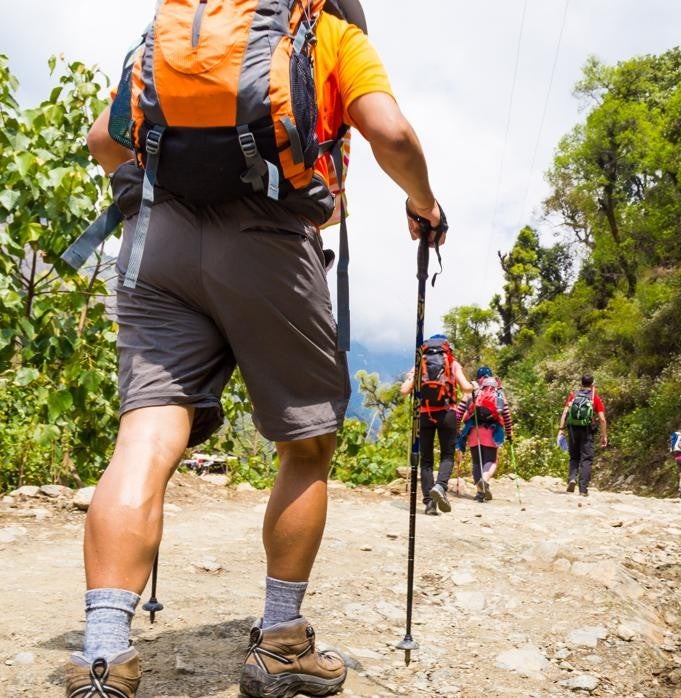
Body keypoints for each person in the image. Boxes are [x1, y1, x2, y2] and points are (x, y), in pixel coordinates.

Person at [69, 3, 446, 696]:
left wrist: (149, 197)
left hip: (159, 246)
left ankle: (103, 655)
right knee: (306, 444)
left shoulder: (176, 34)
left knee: (145, 438)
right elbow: (390, 132)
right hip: (270, 243)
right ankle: (279, 643)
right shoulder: (329, 35)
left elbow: (103, 139)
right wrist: (423, 201)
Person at [400, 334, 476, 516]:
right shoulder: (451, 362)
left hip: (424, 415)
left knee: (426, 461)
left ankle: (429, 503)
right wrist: (472, 385)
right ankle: (441, 487)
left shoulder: (420, 363)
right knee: (447, 455)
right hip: (447, 414)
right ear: (446, 347)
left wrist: (411, 378)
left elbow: (404, 390)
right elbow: (465, 387)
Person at [454, 367, 514, 503]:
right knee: (491, 460)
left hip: (473, 430)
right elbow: (506, 415)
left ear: (478, 378)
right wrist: (509, 433)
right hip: (492, 430)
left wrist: (457, 430)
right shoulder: (498, 391)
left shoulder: (472, 390)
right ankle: (485, 479)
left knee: (476, 462)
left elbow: (459, 413)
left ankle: (480, 493)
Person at [557, 374, 607, 497]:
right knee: (587, 458)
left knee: (574, 456)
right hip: (587, 430)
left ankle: (572, 478)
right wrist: (604, 435)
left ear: (581, 383)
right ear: (592, 384)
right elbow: (602, 419)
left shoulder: (574, 396)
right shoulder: (594, 398)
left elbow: (565, 413)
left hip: (572, 429)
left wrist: (561, 429)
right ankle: (583, 489)